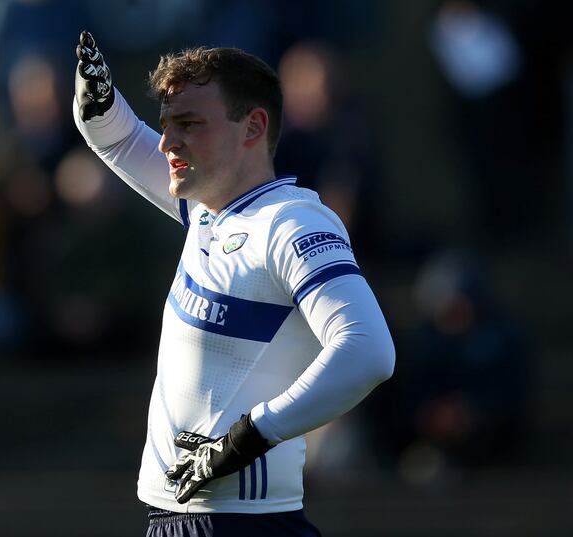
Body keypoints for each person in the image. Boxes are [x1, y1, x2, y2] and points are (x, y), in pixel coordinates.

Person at [72, 32, 395, 536]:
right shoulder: (207, 211)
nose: (166, 141)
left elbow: (369, 351)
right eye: (165, 124)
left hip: (244, 524)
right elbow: (117, 139)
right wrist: (95, 103)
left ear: (253, 127)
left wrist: (251, 435)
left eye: (189, 124)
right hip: (178, 520)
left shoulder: (293, 222)